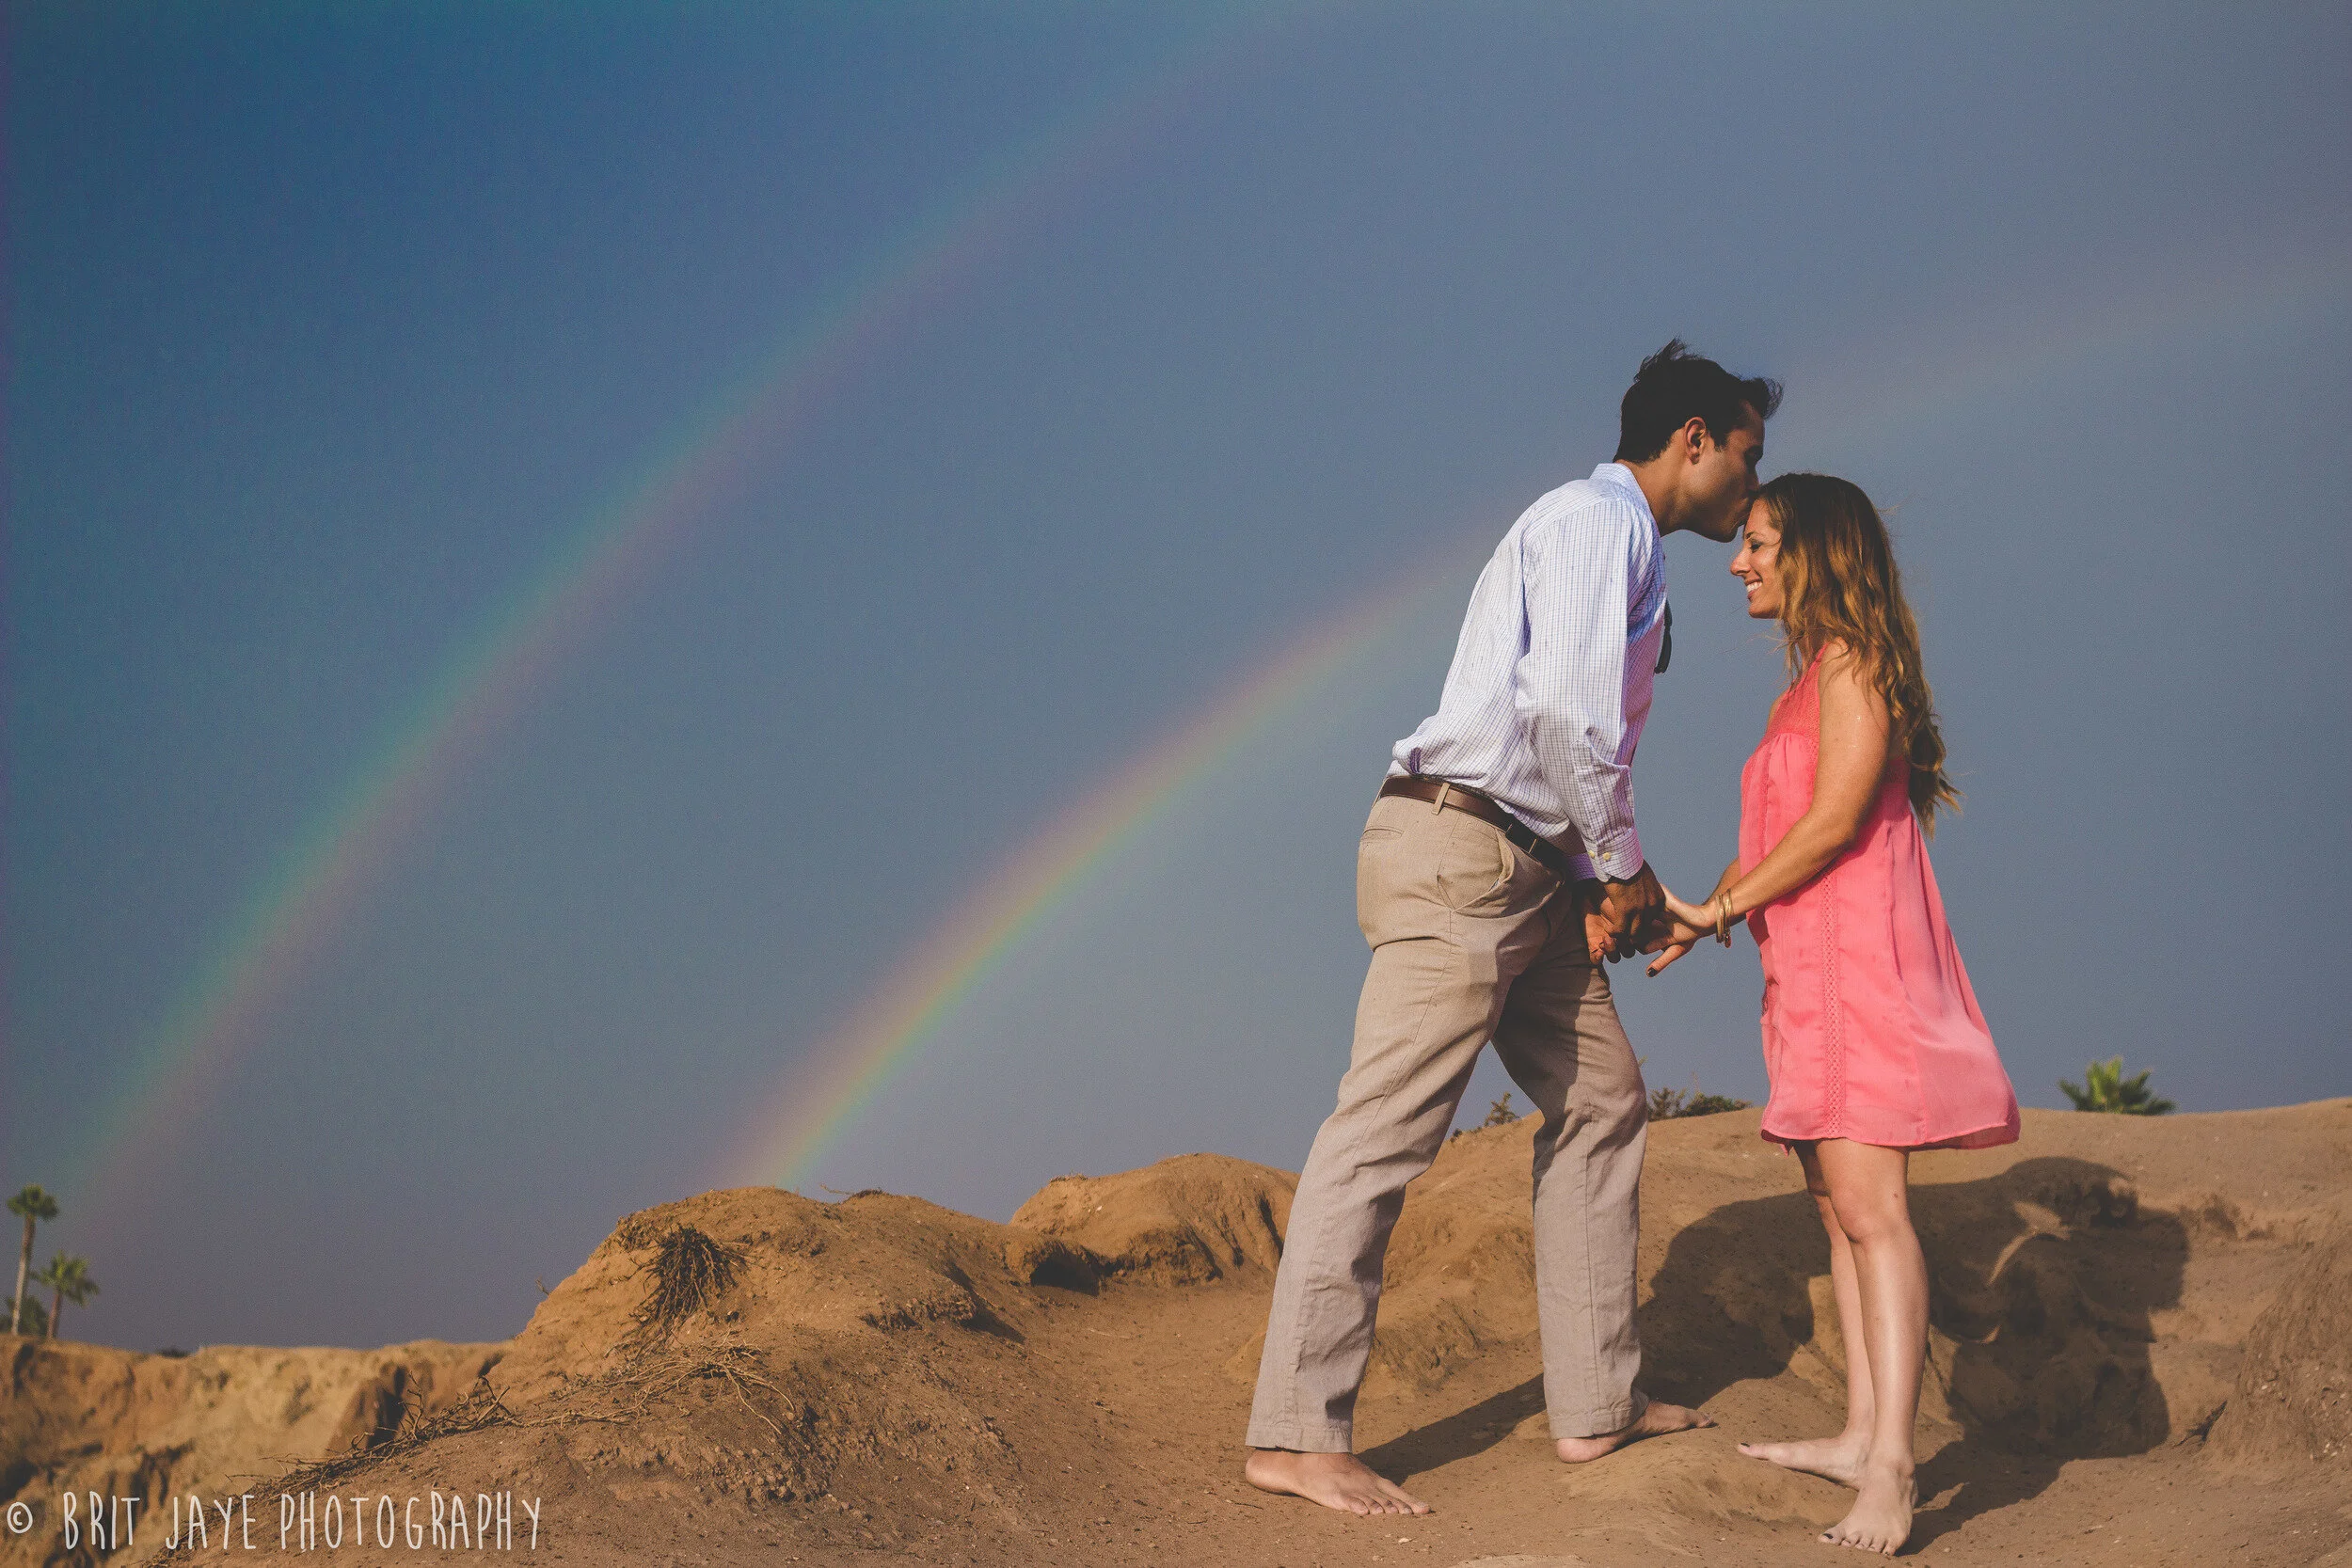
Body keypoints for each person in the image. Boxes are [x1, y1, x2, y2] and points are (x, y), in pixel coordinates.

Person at [1243, 341, 1780, 1516]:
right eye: (1745, 452)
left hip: (1528, 869)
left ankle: (1594, 1403)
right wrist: (1627, 871)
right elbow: (1563, 714)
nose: (1752, 482)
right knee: (1382, 1129)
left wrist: (1599, 876)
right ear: (1690, 437)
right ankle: (1294, 1431)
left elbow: (1570, 739)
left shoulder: (1620, 547)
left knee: (1602, 1096)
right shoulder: (1600, 523)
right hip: (1464, 853)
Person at [1645, 472, 2020, 1556]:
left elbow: (1836, 821)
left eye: (1758, 542)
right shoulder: (1804, 684)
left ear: (1813, 551)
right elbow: (1776, 836)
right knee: (1834, 1206)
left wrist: (1723, 902)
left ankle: (1894, 1471)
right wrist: (1698, 913)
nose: (1737, 560)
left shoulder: (1855, 665)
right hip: (1802, 978)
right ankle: (1860, 1431)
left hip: (1858, 972)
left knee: (1873, 1208)